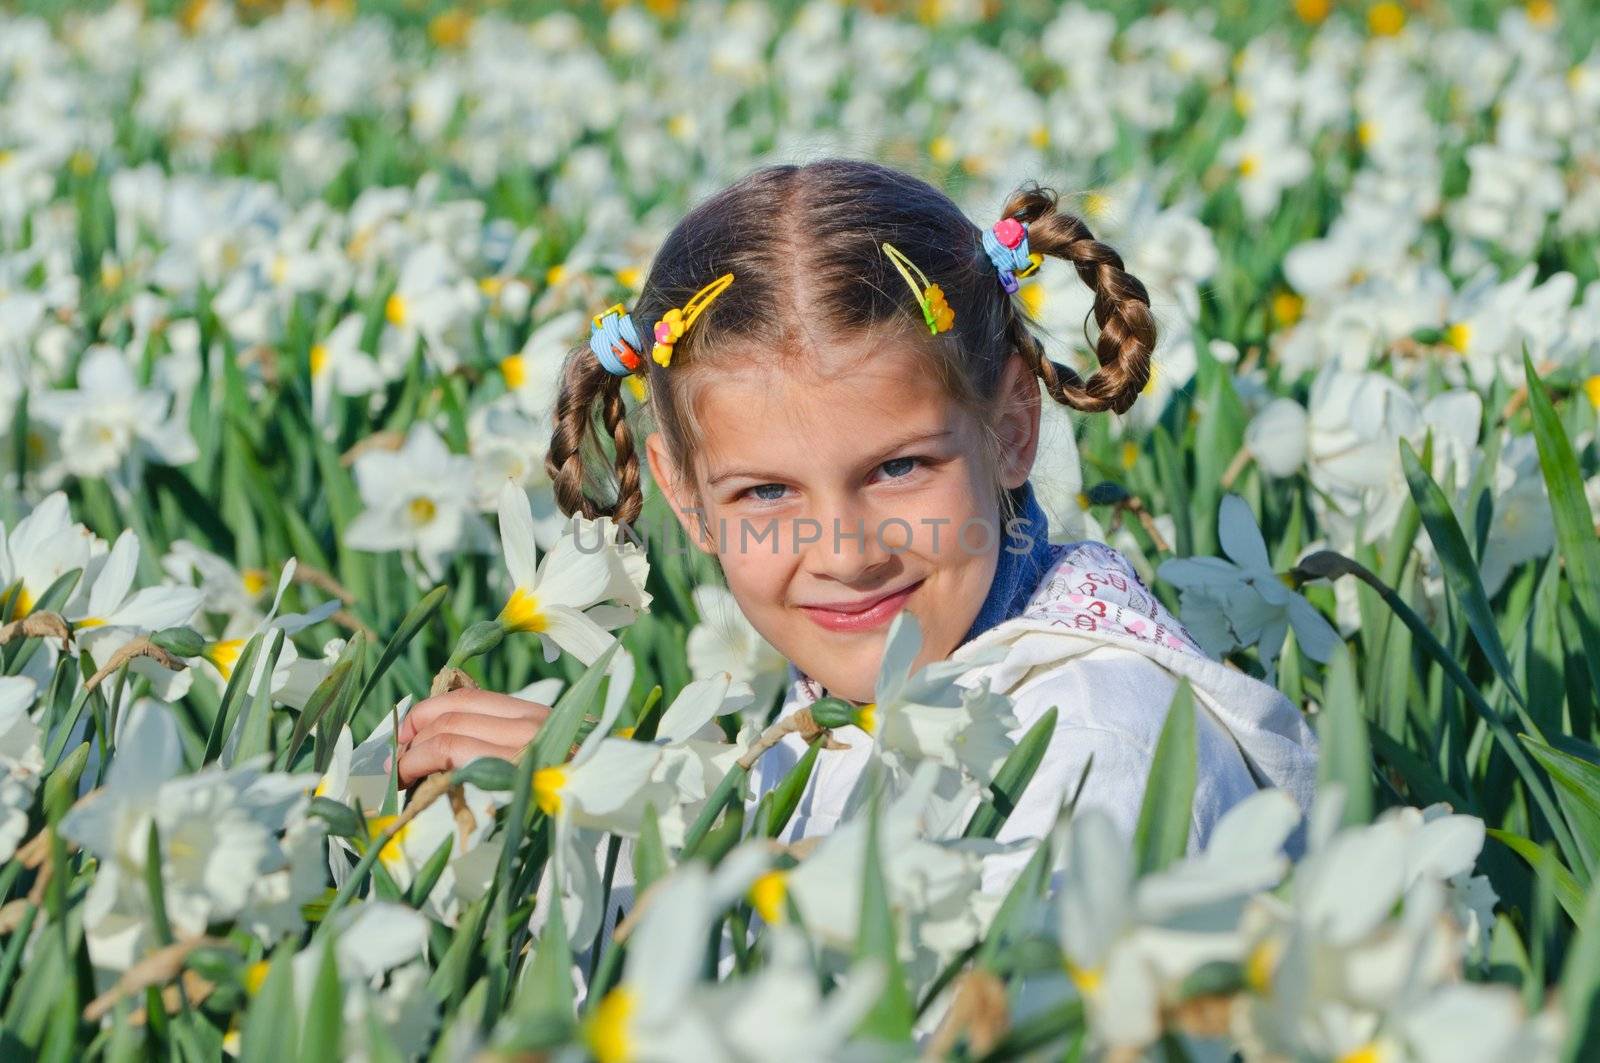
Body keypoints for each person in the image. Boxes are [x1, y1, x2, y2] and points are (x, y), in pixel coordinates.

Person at [393, 158, 1319, 888]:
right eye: (765, 493)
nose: (843, 551)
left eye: (899, 468)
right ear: (686, 496)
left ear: (1011, 430)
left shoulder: (1100, 750)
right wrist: (619, 800)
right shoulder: (842, 708)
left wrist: (659, 832)